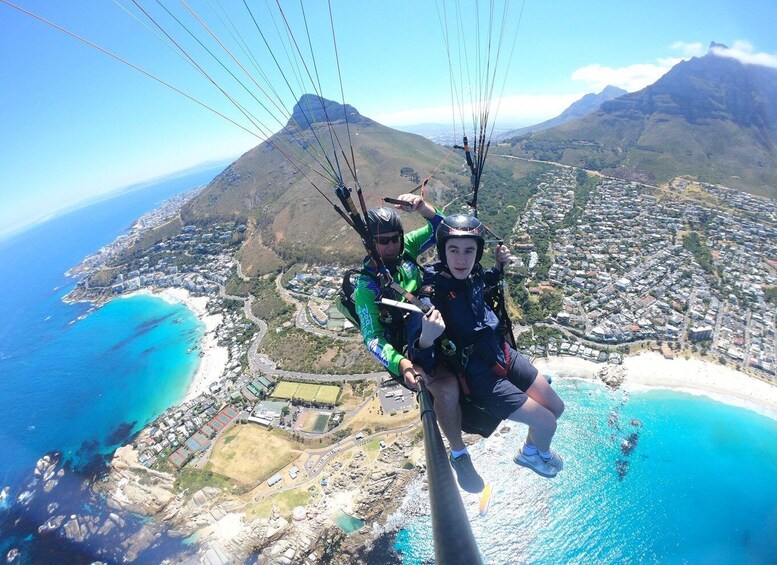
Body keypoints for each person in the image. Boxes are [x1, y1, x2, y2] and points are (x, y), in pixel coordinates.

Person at [408, 214, 565, 478]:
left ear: (477, 253)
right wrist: (426, 337)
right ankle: (540, 454)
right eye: (454, 250)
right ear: (443, 251)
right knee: (547, 421)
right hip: (480, 376)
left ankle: (530, 450)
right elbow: (418, 354)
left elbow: (483, 286)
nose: (461, 259)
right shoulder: (431, 294)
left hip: (502, 353)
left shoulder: (475, 273)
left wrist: (498, 266)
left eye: (469, 251)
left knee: (557, 409)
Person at [353, 195, 485, 492]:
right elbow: (372, 338)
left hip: (436, 320)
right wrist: (401, 364)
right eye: (382, 241)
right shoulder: (367, 287)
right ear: (370, 245)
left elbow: (446, 229)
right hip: (411, 345)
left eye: (395, 239)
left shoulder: (407, 249)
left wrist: (423, 208)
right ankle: (459, 453)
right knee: (448, 389)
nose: (390, 246)